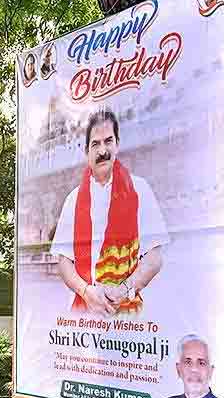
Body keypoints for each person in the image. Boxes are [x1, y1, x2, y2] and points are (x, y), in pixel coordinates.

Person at [50, 110, 169, 316]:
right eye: (95, 144)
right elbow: (64, 261)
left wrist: (124, 290)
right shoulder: (73, 199)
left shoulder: (140, 189)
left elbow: (154, 257)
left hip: (128, 314)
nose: (103, 150)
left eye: (108, 141)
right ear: (86, 151)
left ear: (117, 145)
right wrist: (86, 292)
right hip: (84, 314)